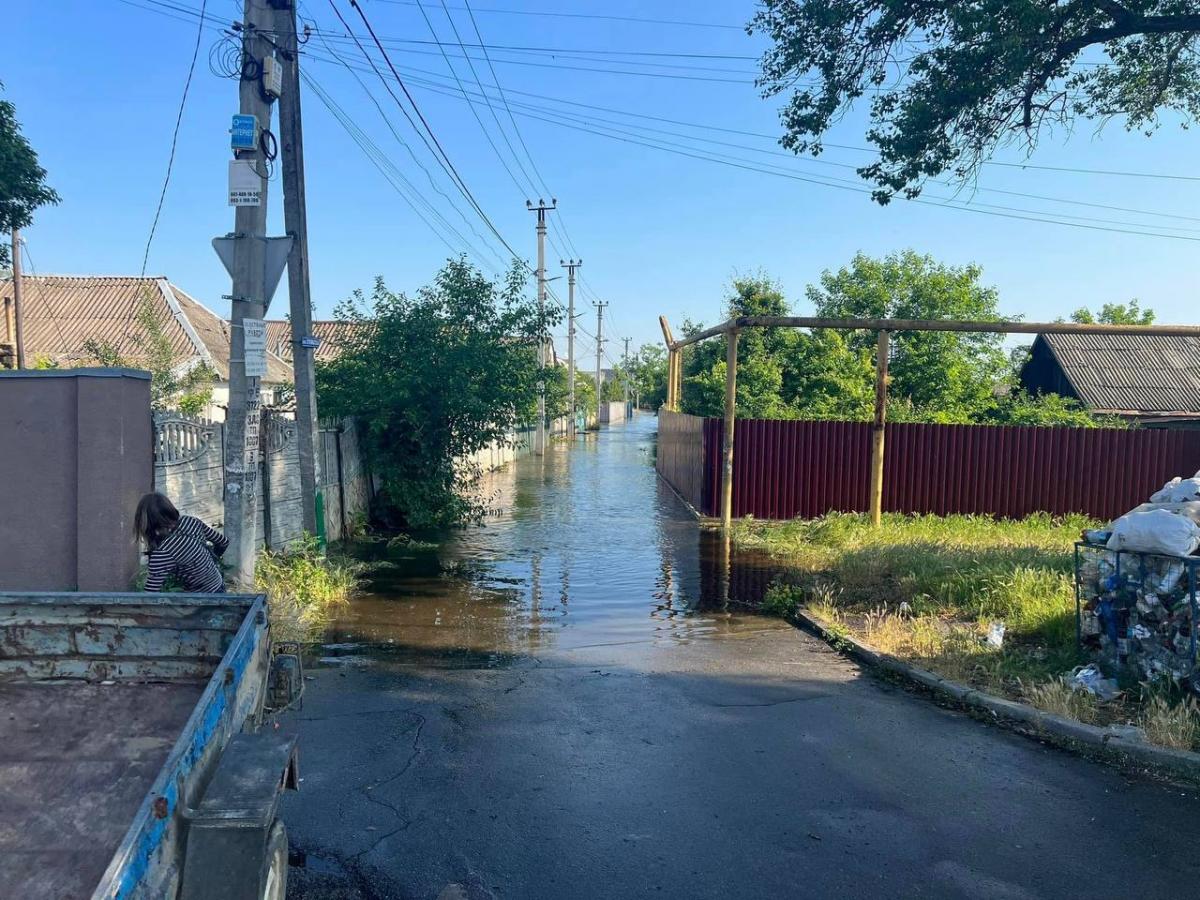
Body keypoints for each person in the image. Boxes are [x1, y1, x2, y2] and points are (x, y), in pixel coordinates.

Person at [134, 492, 228, 593]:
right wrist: (210, 561)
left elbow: (149, 594)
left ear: (145, 523)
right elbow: (223, 541)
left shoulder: (162, 553)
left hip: (200, 598)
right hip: (219, 586)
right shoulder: (191, 522)